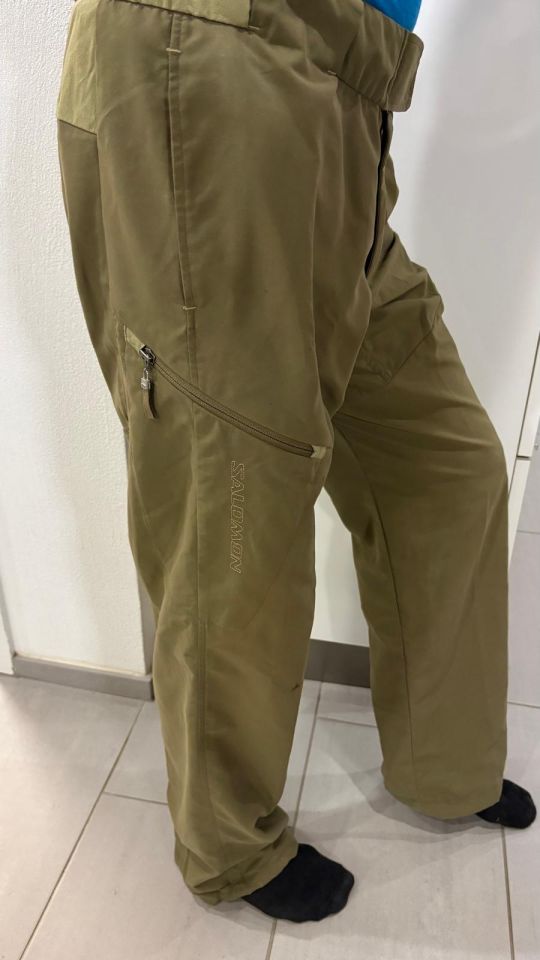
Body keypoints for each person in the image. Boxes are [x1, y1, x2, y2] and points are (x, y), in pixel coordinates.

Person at [55, 0, 536, 926]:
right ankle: (229, 845)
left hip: (341, 81)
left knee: (449, 467)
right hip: (220, 60)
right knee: (236, 497)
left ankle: (447, 765)